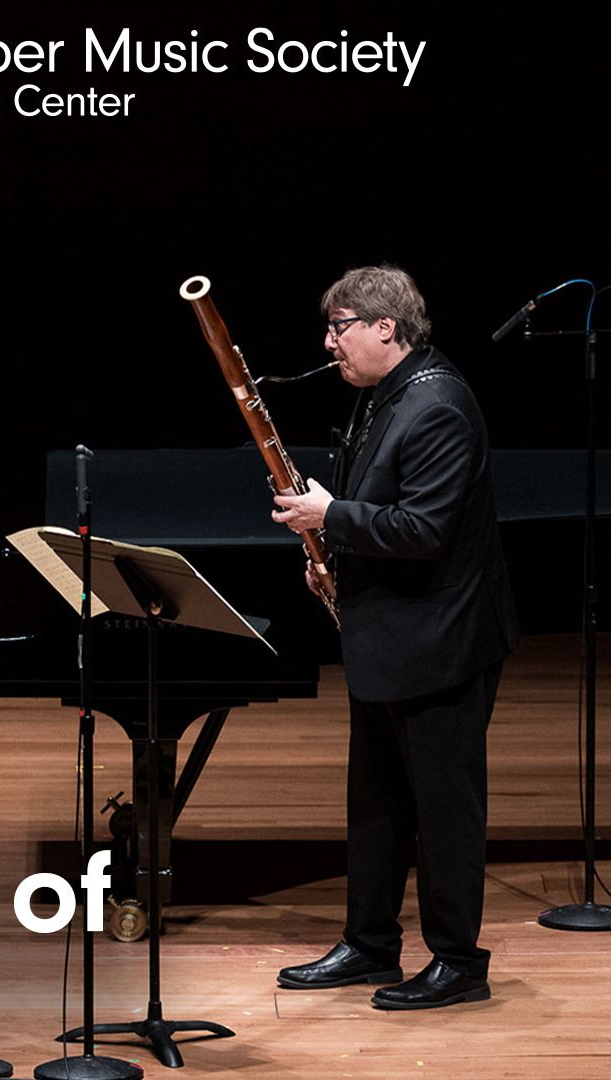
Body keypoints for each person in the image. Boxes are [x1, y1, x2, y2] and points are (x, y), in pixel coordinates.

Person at [271, 265, 519, 1010]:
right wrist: (331, 555)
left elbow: (425, 529)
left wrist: (331, 518)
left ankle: (459, 962)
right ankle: (370, 944)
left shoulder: (438, 406)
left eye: (338, 326)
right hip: (390, 634)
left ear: (386, 327)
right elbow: (376, 504)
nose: (328, 342)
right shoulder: (384, 395)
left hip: (442, 642)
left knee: (445, 811)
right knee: (377, 802)